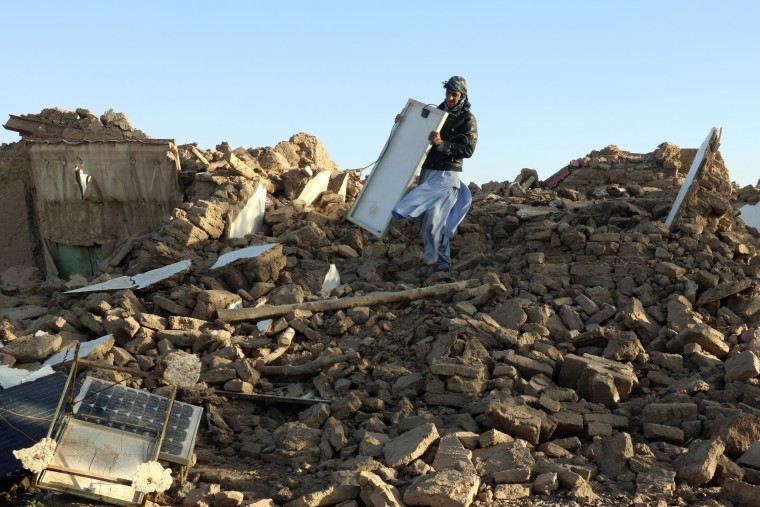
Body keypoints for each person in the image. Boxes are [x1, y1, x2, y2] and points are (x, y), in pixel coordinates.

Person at [392, 75, 478, 275]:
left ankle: (442, 265)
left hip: (447, 174)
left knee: (435, 218)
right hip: (428, 170)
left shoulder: (467, 119)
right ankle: (437, 260)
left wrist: (442, 144)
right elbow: (416, 136)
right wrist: (403, 122)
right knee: (427, 219)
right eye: (448, 93)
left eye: (454, 94)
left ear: (462, 95)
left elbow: (469, 150)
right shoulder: (435, 114)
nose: (450, 98)